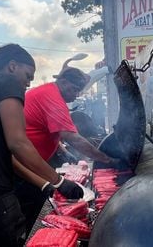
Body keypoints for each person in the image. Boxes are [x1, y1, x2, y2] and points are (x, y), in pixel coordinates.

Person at [0, 44, 84, 247]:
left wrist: (45, 184)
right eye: (28, 76)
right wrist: (59, 182)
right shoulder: (7, 82)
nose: (28, 84)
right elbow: (18, 143)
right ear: (12, 66)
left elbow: (9, 156)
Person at [21, 66, 125, 235]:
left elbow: (47, 129)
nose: (76, 95)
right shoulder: (52, 97)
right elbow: (73, 137)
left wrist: (62, 150)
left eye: (79, 91)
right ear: (63, 82)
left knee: (33, 206)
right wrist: (106, 159)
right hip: (25, 164)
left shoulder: (47, 92)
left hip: (31, 161)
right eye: (75, 89)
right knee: (28, 209)